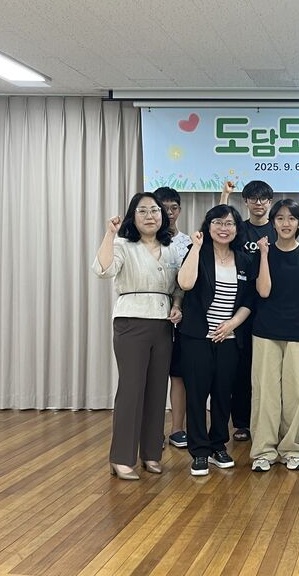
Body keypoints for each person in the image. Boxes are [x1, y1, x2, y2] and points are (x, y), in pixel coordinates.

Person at [92, 193, 183, 480]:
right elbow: (103, 270)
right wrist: (110, 234)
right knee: (131, 389)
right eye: (142, 211)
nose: (150, 216)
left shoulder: (171, 249)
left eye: (155, 210)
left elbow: (178, 287)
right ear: (133, 216)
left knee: (157, 390)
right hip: (131, 321)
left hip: (163, 324)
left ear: (163, 216)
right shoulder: (122, 244)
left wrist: (177, 306)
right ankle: (121, 458)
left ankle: (152, 454)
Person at [178, 205, 256, 477]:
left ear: (237, 228)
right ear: (208, 226)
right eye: (218, 223)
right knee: (197, 395)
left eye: (229, 223)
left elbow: (249, 301)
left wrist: (232, 324)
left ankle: (218, 445)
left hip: (229, 338)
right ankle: (199, 451)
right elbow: (185, 284)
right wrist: (197, 248)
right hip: (197, 337)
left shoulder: (244, 259)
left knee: (223, 395)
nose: (224, 228)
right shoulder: (197, 252)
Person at [250, 199, 299, 472]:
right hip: (265, 332)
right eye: (280, 218)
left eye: (291, 218)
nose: (286, 223)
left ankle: (292, 450)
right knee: (265, 393)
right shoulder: (263, 253)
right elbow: (263, 291)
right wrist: (264, 255)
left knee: (297, 394)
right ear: (273, 223)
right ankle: (263, 451)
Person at [219, 180, 277, 442]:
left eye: (263, 198)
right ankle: (242, 422)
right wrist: (224, 195)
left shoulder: (276, 228)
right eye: (253, 198)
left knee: (267, 368)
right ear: (245, 202)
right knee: (241, 368)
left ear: (270, 202)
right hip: (239, 303)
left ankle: (267, 421)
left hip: (269, 304)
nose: (258, 203)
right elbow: (218, 226)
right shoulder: (239, 229)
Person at [153, 187, 192, 449]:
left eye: (173, 208)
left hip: (182, 317)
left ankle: (177, 429)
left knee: (178, 374)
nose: (169, 213)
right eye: (163, 208)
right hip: (152, 315)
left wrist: (179, 305)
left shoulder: (188, 242)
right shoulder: (143, 241)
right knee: (154, 376)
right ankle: (152, 431)